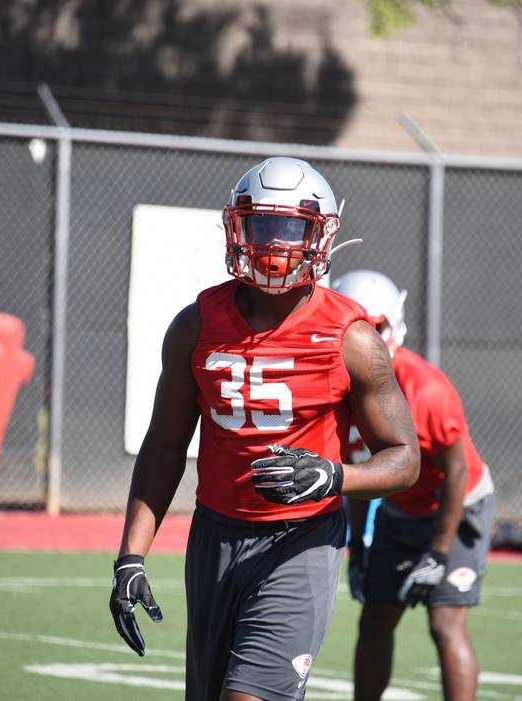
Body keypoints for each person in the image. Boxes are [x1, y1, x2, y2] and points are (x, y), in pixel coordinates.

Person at [109, 157, 421, 701]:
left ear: (320, 235)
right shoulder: (195, 326)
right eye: (262, 226)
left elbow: (404, 458)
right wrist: (131, 555)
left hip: (300, 540)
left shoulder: (352, 337)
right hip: (215, 536)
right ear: (237, 227)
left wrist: (333, 477)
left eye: (291, 228)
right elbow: (164, 446)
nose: (275, 244)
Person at [332, 270, 495, 701]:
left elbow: (456, 474)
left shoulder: (427, 390)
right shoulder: (333, 389)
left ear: (395, 325)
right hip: (400, 506)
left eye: (376, 325)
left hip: (456, 505)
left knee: (444, 623)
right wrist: (358, 545)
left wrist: (439, 554)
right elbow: (356, 472)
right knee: (376, 618)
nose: (365, 336)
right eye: (354, 325)